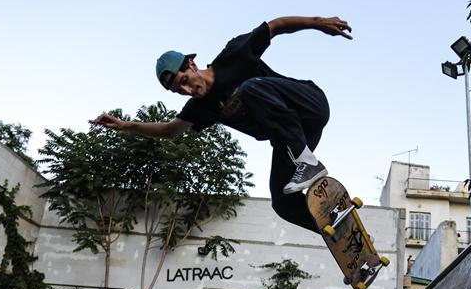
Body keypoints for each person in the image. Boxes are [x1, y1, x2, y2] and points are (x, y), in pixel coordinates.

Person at [91, 16, 353, 233]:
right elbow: (170, 130)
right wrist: (126, 126)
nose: (187, 90)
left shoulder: (234, 55)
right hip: (295, 136)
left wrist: (318, 23)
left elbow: (275, 26)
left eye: (184, 80)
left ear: (192, 64)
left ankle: (307, 162)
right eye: (179, 90)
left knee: (248, 89)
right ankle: (339, 232)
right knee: (281, 202)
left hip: (310, 103)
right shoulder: (201, 107)